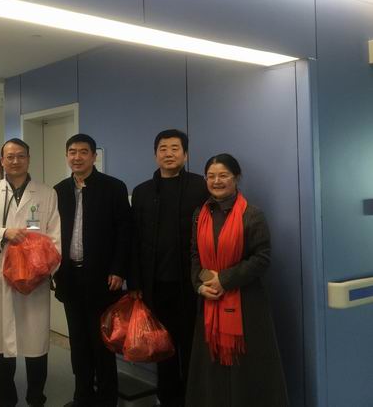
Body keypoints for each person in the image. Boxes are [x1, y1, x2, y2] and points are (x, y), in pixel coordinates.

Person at [185, 154, 289, 407]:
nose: (216, 181)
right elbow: (195, 254)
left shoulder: (252, 214)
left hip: (246, 305)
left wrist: (224, 280)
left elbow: (262, 258)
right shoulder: (200, 214)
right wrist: (200, 284)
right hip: (209, 302)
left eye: (223, 175)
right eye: (211, 176)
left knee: (246, 370)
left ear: (236, 178)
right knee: (210, 368)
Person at [0, 138, 61, 407]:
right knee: (2, 342)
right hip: (0, 275)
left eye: (21, 156)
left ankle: (36, 397)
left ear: (28, 159)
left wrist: (42, 271)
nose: (15, 161)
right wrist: (4, 233)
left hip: (35, 279)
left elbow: (55, 238)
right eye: (9, 156)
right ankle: (6, 397)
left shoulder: (46, 193)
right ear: (2, 160)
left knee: (36, 342)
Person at [130, 129, 208, 407]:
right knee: (162, 347)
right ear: (155, 155)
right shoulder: (142, 192)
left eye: (175, 148)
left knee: (192, 346)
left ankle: (193, 398)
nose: (169, 153)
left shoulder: (201, 187)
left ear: (185, 154)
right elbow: (133, 239)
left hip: (192, 285)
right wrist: (135, 282)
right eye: (163, 148)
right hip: (155, 285)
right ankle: (167, 398)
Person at [53, 134, 131, 407]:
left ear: (94, 156)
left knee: (102, 343)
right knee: (78, 342)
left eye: (83, 152)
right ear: (67, 156)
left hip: (103, 278)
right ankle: (82, 395)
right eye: (72, 152)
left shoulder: (113, 187)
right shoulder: (59, 190)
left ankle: (107, 399)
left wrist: (119, 269)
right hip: (70, 278)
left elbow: (125, 232)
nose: (77, 157)